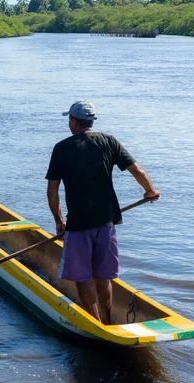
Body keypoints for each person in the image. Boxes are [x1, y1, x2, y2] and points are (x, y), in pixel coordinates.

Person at [45, 100, 160, 324]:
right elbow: (137, 170)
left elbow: (52, 190)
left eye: (69, 119)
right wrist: (150, 191)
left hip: (78, 225)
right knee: (103, 277)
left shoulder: (62, 148)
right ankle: (106, 322)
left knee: (81, 278)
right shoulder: (109, 141)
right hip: (107, 223)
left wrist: (59, 221)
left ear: (74, 122)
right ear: (90, 122)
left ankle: (94, 322)